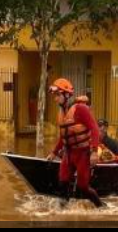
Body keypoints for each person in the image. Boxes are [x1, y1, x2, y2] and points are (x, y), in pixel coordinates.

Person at [45, 78, 105, 208]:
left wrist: (94, 152)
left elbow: (94, 129)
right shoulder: (61, 113)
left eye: (57, 95)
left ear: (66, 94)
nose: (55, 99)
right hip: (68, 153)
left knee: (83, 187)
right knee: (62, 182)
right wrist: (54, 152)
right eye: (54, 96)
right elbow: (64, 136)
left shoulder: (81, 109)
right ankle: (61, 213)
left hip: (83, 154)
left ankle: (101, 207)